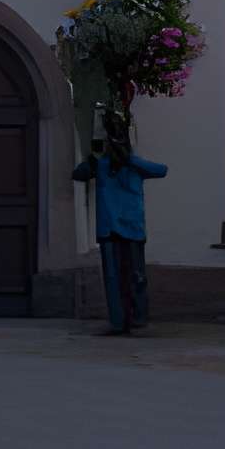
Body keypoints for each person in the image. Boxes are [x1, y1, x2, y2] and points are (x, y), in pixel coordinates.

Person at [72, 127, 166, 335]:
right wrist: (93, 159)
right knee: (113, 279)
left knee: (136, 276)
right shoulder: (102, 165)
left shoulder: (135, 165)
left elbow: (161, 170)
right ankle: (117, 321)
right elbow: (78, 174)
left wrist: (128, 159)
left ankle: (138, 319)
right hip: (110, 229)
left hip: (132, 228)